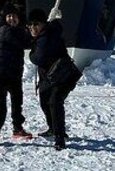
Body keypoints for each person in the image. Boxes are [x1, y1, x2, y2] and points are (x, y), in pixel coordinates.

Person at [28, 8, 83, 151]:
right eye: (30, 25)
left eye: (36, 24)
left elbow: (38, 58)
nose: (32, 27)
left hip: (62, 77)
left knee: (54, 102)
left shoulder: (47, 37)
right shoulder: (46, 34)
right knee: (44, 101)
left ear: (43, 24)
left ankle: (60, 136)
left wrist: (31, 54)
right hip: (50, 77)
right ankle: (53, 129)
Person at [0, 3, 33, 147]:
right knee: (0, 104)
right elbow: (23, 41)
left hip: (13, 72)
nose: (12, 19)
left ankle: (17, 128)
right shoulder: (5, 30)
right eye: (9, 16)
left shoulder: (13, 29)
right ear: (4, 18)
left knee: (17, 100)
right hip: (2, 73)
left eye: (14, 16)